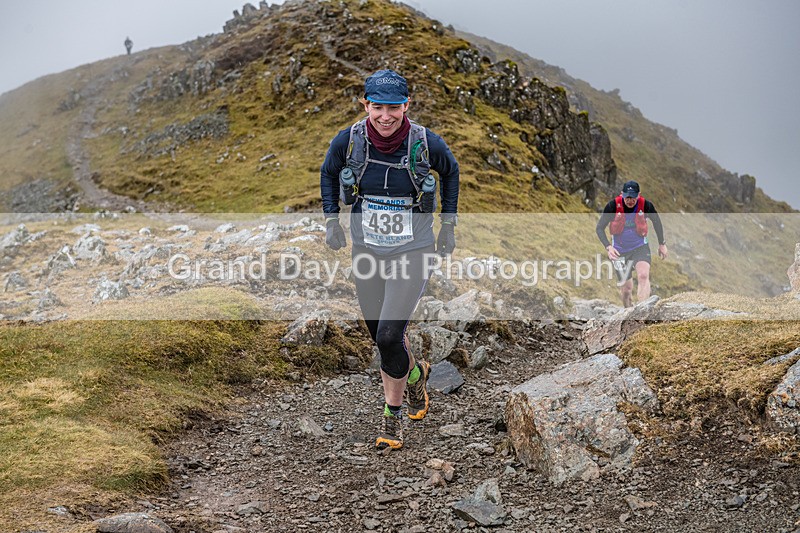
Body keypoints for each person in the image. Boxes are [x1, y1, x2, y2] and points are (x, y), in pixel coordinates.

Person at [320, 69, 459, 450]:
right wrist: (331, 218)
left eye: (393, 108)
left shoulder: (426, 143)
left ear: (406, 106)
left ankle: (392, 418)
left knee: (387, 335)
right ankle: (416, 374)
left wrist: (448, 224)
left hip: (413, 250)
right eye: (377, 107)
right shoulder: (349, 141)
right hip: (367, 250)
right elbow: (328, 173)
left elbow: (450, 173)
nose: (385, 116)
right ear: (366, 104)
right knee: (380, 339)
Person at [596, 180, 668, 307]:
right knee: (626, 289)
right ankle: (627, 312)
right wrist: (609, 247)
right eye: (627, 197)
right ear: (622, 194)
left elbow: (657, 221)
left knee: (643, 275)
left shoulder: (646, 205)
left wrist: (662, 244)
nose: (630, 200)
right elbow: (599, 228)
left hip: (640, 247)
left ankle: (643, 312)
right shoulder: (612, 206)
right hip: (619, 251)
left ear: (638, 195)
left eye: (633, 197)